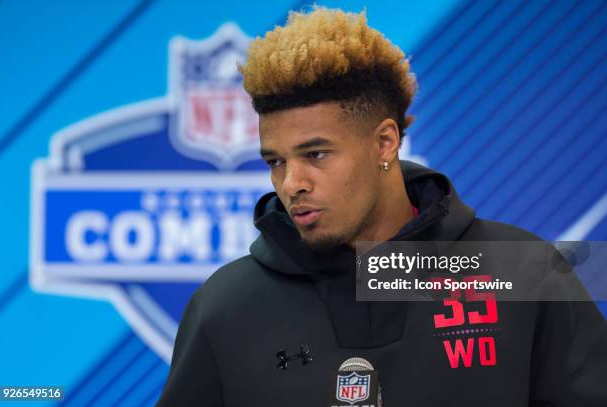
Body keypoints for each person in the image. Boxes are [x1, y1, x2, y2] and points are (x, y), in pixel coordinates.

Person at [156, 7, 607, 406]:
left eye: (316, 154)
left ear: (384, 142)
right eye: (276, 161)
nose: (291, 183)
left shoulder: (525, 273)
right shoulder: (224, 306)